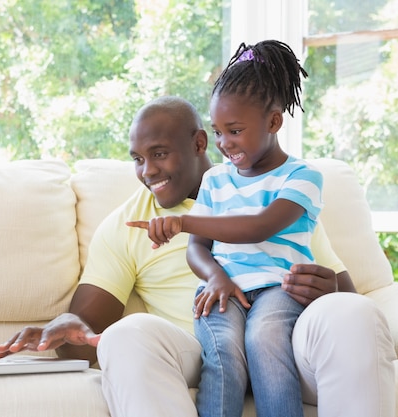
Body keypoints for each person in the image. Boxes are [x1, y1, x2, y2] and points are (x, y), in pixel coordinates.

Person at [0, 95, 396, 417]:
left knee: (351, 313)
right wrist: (64, 327)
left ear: (200, 143)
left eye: (160, 153)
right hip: (202, 353)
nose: (147, 171)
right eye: (137, 159)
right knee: (127, 335)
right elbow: (87, 328)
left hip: (284, 349)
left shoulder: (273, 195)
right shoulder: (128, 225)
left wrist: (327, 292)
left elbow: (348, 293)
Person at [126, 40, 322, 417]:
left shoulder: (302, 177)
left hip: (279, 288)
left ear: (273, 122)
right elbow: (197, 248)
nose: (223, 143)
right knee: (221, 350)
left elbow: (258, 226)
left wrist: (181, 222)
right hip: (223, 290)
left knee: (264, 337)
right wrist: (215, 276)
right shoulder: (216, 180)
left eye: (234, 131)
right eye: (217, 132)